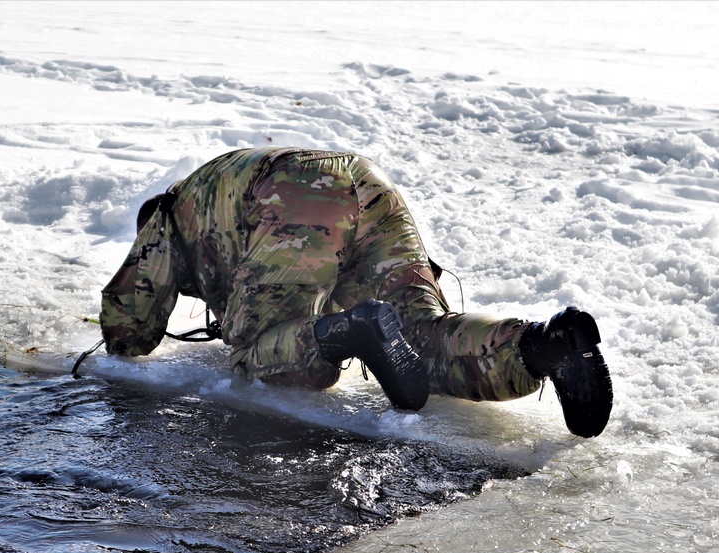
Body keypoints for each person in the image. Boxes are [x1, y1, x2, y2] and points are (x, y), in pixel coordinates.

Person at [99, 147, 613, 437]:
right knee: (419, 335)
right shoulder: (219, 191)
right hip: (367, 185)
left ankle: (350, 332)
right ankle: (543, 347)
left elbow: (130, 325)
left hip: (295, 197)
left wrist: (120, 339)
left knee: (257, 356)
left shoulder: (166, 215)